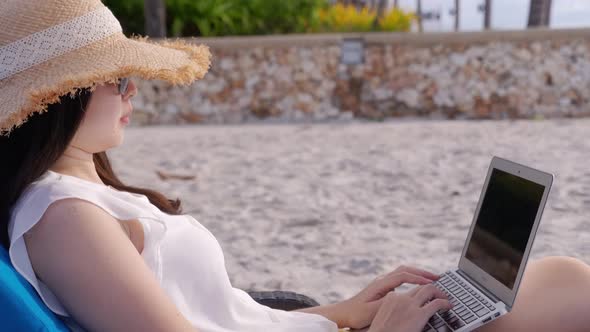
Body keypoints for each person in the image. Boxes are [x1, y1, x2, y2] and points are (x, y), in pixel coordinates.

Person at [1, 1, 589, 332]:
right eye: (115, 79)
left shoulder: (86, 192)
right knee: (567, 290)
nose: (134, 91)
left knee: (560, 282)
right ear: (58, 97)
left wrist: (347, 311)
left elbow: (225, 318)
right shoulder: (63, 217)